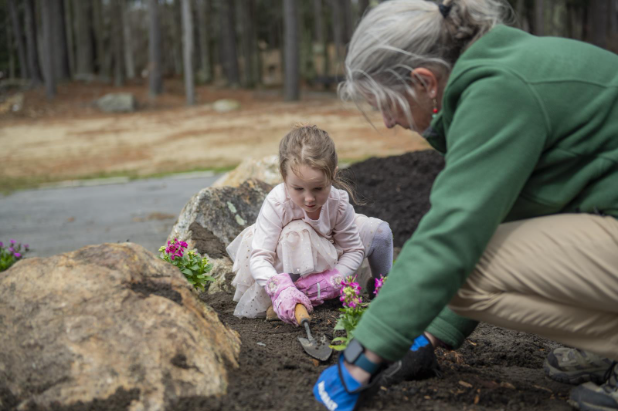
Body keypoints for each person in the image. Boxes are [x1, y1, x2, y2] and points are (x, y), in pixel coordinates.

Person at [313, 0, 618, 410]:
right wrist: (426, 334)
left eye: (387, 104)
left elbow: (456, 235)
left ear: (425, 82)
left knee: (466, 268)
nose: (387, 122)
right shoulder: (500, 70)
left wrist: (365, 354)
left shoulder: (500, 90)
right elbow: (507, 211)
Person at [226, 124, 394, 325]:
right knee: (297, 233)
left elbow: (353, 249)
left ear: (333, 175)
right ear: (283, 176)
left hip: (328, 247)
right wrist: (280, 288)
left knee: (380, 232)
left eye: (318, 188)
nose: (309, 199)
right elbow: (261, 256)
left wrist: (333, 280)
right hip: (285, 262)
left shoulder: (337, 203)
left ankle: (381, 293)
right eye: (298, 188)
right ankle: (294, 298)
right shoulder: (278, 203)